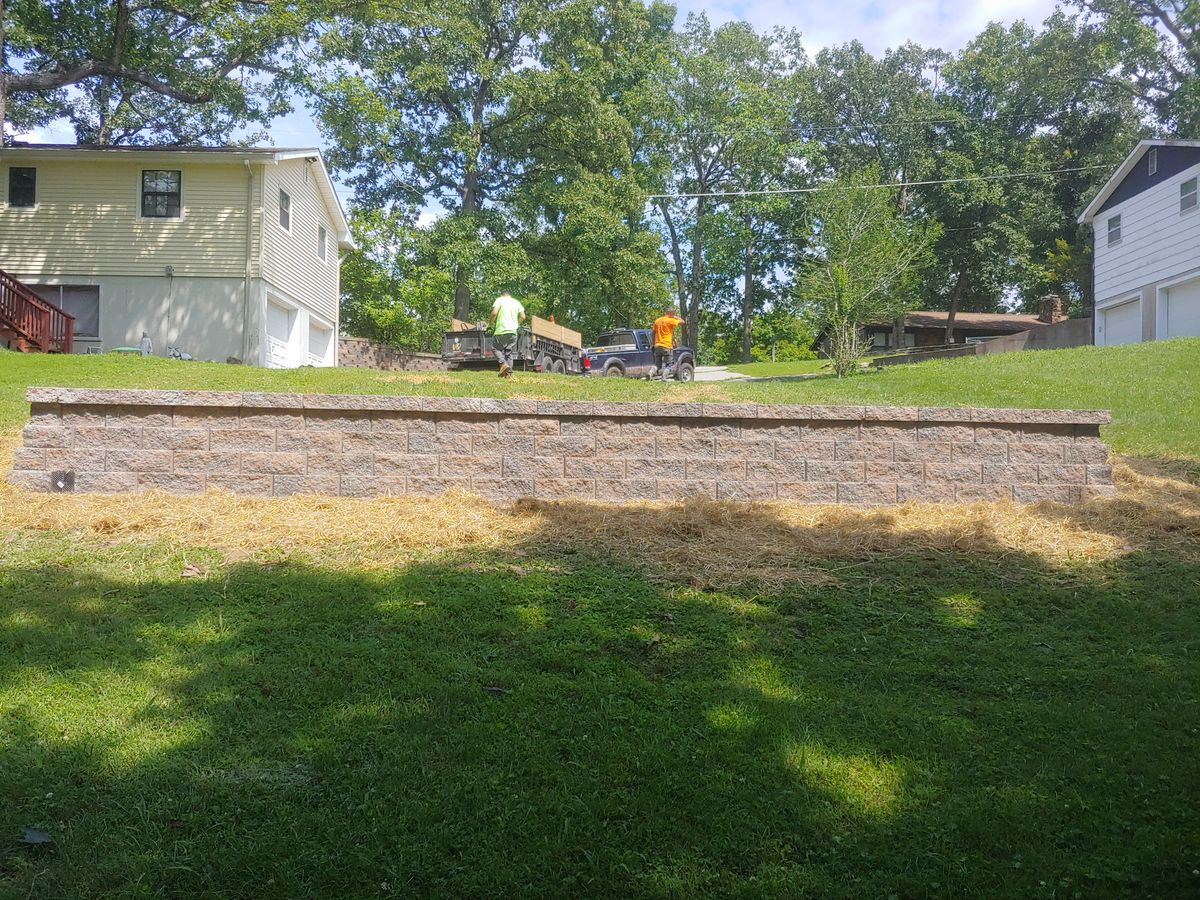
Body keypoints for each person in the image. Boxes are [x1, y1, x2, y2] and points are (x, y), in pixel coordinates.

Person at [488, 292, 526, 378]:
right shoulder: (516, 302)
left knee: (495, 348)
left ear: (502, 295)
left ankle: (503, 364)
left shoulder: (500, 300)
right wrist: (517, 324)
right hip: (513, 332)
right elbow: (523, 316)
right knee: (509, 353)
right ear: (510, 295)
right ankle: (509, 374)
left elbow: (494, 313)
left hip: (501, 330)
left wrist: (490, 325)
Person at [651, 307, 684, 381]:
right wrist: (675, 317)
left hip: (657, 346)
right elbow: (683, 322)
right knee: (669, 365)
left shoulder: (657, 321)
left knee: (657, 365)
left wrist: (653, 344)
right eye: (674, 313)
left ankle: (650, 373)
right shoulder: (670, 320)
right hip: (666, 346)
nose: (674, 315)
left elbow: (653, 333)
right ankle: (664, 377)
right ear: (671, 313)